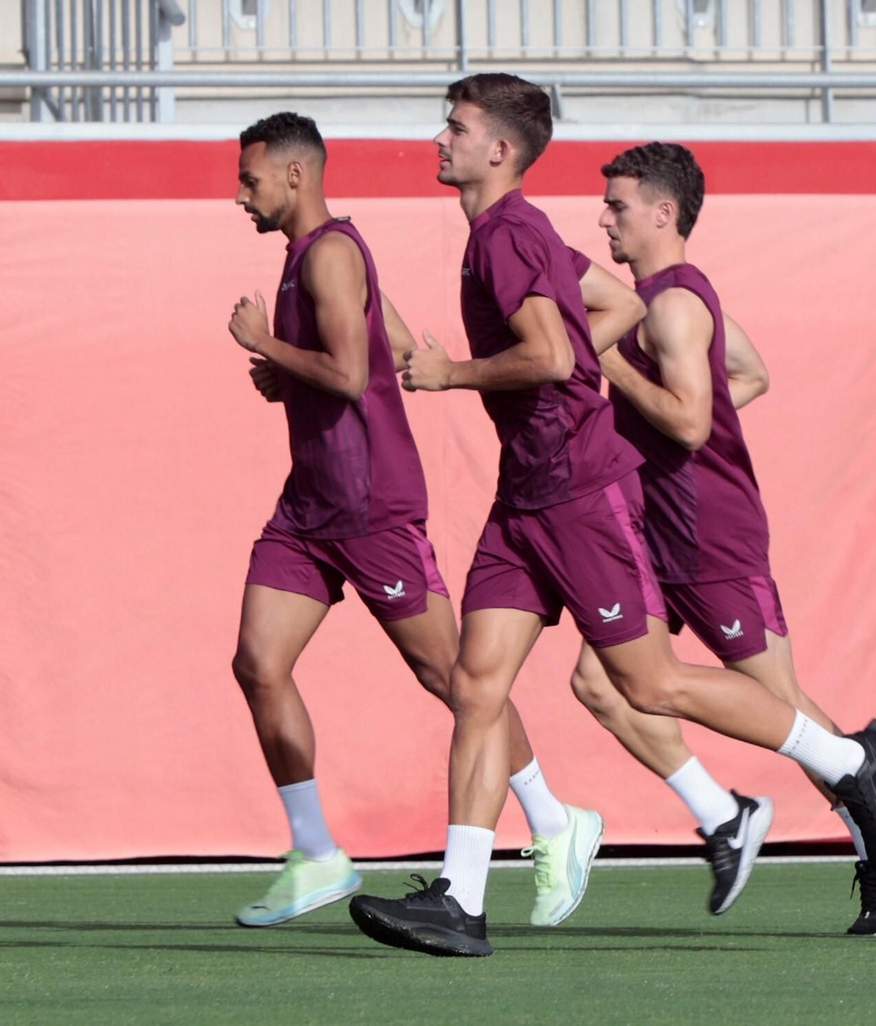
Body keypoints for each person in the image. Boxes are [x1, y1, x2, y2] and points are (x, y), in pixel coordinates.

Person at [346, 75, 876, 958]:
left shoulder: (509, 236)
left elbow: (550, 351)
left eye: (452, 128)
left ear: (499, 151)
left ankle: (849, 764)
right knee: (476, 684)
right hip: (525, 497)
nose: (437, 140)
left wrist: (454, 374)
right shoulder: (506, 237)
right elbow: (613, 307)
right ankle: (460, 899)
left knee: (652, 684)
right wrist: (576, 367)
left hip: (578, 496)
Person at [225, 112, 635, 929]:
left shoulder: (334, 252)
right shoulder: (305, 256)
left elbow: (347, 372)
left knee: (453, 678)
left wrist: (270, 347)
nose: (241, 195)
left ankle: (555, 821)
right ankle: (316, 853)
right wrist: (290, 374)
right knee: (257, 662)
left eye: (251, 179)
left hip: (371, 502)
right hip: (310, 505)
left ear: (296, 176)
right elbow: (373, 356)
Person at [564, 141, 876, 935]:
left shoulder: (673, 305)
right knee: (599, 682)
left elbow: (694, 421)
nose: (605, 220)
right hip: (651, 533)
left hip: (712, 537)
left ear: (664, 212)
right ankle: (722, 814)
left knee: (781, 708)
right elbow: (750, 375)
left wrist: (613, 372)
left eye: (618, 206)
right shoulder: (661, 301)